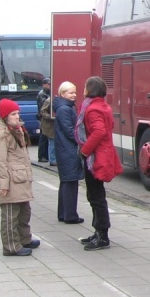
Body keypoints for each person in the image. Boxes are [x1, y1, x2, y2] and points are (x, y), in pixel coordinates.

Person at [77, 76, 122, 251]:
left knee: (96, 196)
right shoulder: (102, 106)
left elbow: (99, 131)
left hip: (96, 157)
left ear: (90, 89)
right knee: (96, 195)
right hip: (102, 154)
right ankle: (98, 231)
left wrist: (84, 150)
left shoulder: (93, 109)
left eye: (85, 86)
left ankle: (102, 235)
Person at [0, 99, 40, 257]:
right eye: (13, 114)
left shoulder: (16, 128)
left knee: (24, 211)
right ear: (5, 116)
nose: (17, 116)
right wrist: (3, 184)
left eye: (17, 113)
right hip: (12, 179)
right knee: (11, 214)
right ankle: (11, 246)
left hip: (20, 177)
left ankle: (24, 239)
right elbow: (0, 160)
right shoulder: (2, 133)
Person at [53, 81, 84, 225]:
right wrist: (82, 140)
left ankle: (63, 213)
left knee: (66, 181)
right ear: (62, 93)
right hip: (68, 150)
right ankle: (70, 215)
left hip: (65, 149)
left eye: (75, 92)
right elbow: (70, 131)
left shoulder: (63, 107)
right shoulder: (65, 109)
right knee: (70, 182)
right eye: (71, 93)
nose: (74, 95)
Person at [36, 78, 52, 163]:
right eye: (48, 84)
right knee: (43, 137)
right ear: (44, 85)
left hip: (46, 118)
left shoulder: (48, 93)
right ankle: (42, 156)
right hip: (43, 118)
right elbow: (44, 107)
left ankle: (46, 156)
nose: (50, 86)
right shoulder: (42, 95)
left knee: (46, 137)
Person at [39, 94, 57, 166]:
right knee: (52, 142)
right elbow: (43, 111)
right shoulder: (49, 100)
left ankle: (54, 159)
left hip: (54, 125)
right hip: (49, 125)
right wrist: (50, 117)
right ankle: (52, 160)